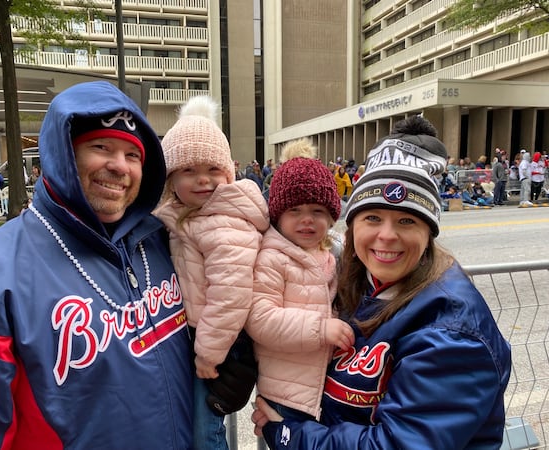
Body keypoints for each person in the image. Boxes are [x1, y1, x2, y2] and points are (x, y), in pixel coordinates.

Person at [0, 81, 193, 449]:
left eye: (133, 155)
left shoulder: (162, 241)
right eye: (101, 147)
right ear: (63, 154)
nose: (119, 166)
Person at [252, 115, 511, 449]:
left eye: (406, 220)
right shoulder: (348, 281)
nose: (386, 236)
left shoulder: (452, 333)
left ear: (428, 232)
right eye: (373, 218)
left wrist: (290, 433)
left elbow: (395, 444)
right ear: (351, 227)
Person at [155, 95, 270, 450]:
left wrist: (209, 352)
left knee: (204, 431)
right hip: (197, 333)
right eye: (188, 171)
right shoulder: (186, 215)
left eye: (213, 170)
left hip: (216, 339)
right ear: (171, 178)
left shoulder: (223, 222)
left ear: (229, 172)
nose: (202, 180)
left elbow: (231, 293)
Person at [246, 138, 355, 425]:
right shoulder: (272, 257)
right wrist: (321, 329)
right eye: (295, 211)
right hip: (287, 395)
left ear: (331, 217)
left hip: (326, 386)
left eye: (317, 211)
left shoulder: (333, 254)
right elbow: (260, 318)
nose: (307, 220)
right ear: (278, 216)